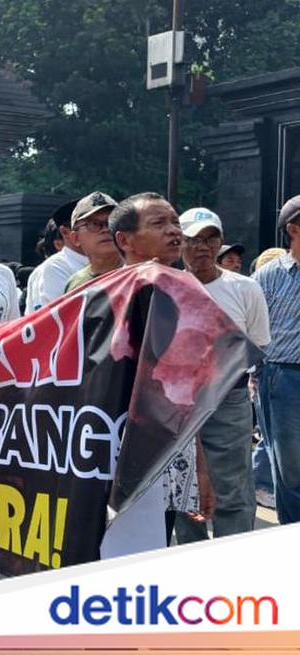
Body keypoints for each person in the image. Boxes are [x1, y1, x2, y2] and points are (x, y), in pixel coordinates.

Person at [109, 192, 216, 535]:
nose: (174, 231)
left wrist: (199, 466)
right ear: (124, 240)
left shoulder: (188, 295)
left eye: (174, 222)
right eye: (159, 223)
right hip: (115, 449)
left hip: (172, 449)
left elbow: (185, 393)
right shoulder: (104, 297)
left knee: (157, 541)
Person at [172, 207, 269, 542]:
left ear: (221, 242)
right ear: (179, 243)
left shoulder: (245, 289)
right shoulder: (165, 288)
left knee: (234, 488)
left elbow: (256, 343)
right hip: (178, 403)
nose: (202, 246)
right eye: (193, 239)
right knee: (185, 489)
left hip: (230, 399)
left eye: (210, 238)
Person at [251, 193, 300, 525]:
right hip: (283, 379)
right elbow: (246, 328)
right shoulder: (268, 276)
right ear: (293, 228)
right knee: (291, 469)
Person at [25, 199, 88, 314]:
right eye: (92, 224)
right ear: (66, 233)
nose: (104, 230)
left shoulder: (119, 261)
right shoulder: (54, 268)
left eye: (108, 223)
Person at [63, 192, 122, 293]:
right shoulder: (76, 285)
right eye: (94, 224)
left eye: (112, 222)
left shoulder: (142, 276)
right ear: (75, 238)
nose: (105, 229)